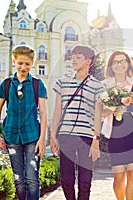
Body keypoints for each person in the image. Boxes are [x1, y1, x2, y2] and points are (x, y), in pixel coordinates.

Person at [0, 44, 48, 200]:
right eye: (20, 63)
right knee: (19, 180)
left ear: (32, 64)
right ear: (14, 62)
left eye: (27, 64)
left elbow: (43, 113)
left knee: (32, 179)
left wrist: (42, 139)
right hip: (11, 137)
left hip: (32, 137)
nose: (24, 67)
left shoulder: (38, 84)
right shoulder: (6, 84)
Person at [50, 44, 103, 200]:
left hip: (87, 137)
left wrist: (96, 141)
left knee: (85, 180)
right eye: (73, 57)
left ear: (88, 62)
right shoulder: (62, 82)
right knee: (66, 179)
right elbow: (57, 111)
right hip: (66, 136)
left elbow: (97, 116)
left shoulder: (97, 86)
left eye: (78, 57)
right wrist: (53, 136)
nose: (73, 60)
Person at [101, 50, 133, 200]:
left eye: (122, 61)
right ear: (111, 65)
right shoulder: (105, 85)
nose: (119, 65)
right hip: (116, 130)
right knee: (119, 176)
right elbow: (101, 113)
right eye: (116, 62)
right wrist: (111, 108)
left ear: (128, 64)